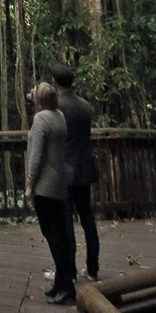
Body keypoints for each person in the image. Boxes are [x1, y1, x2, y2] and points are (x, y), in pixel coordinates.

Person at [25, 80, 76, 305]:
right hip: (60, 184)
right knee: (61, 234)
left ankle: (66, 286)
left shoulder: (40, 120)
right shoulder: (59, 116)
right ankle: (62, 283)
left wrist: (29, 185)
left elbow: (35, 158)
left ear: (40, 101)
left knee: (52, 235)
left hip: (45, 186)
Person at [52, 62, 100, 282]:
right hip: (84, 168)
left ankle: (67, 271)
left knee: (65, 222)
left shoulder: (56, 107)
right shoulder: (84, 106)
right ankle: (92, 268)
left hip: (64, 171)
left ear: (55, 83)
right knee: (88, 219)